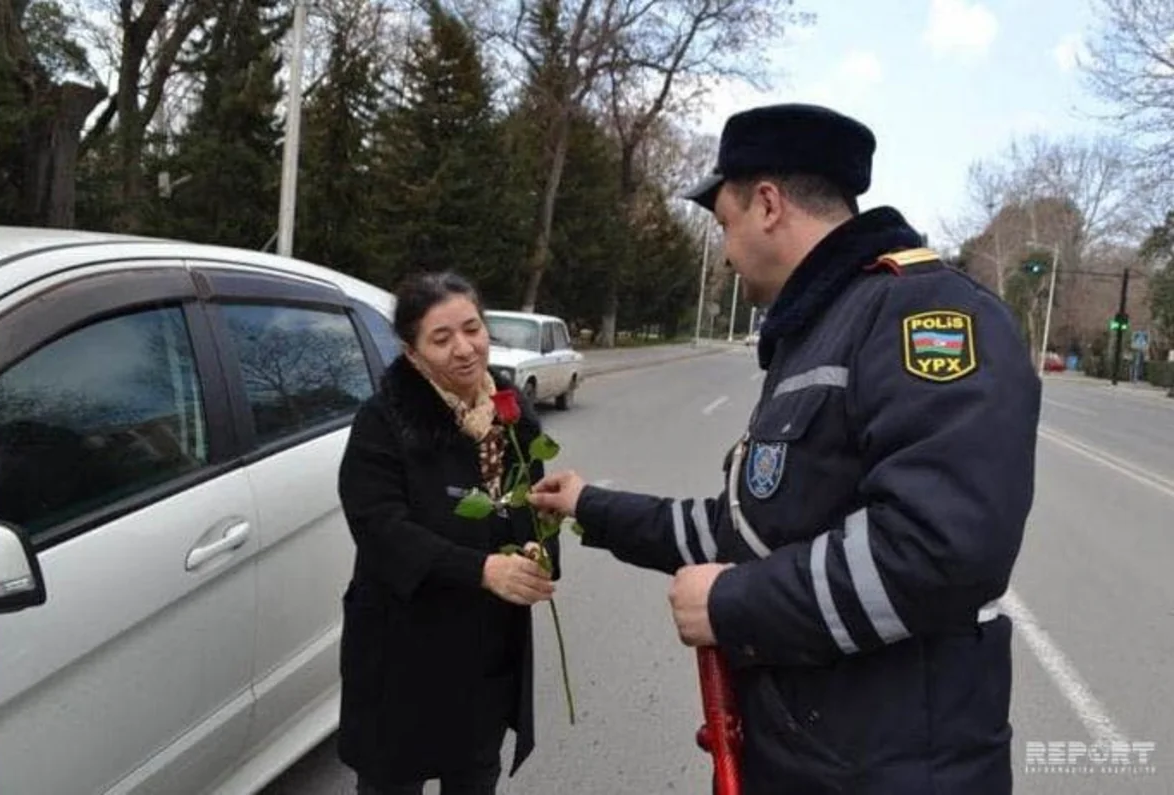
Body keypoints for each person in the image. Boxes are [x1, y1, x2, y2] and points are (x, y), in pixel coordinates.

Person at [530, 104, 1041, 794]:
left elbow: (939, 547)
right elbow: (748, 526)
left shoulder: (924, 315)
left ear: (767, 204)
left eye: (724, 224)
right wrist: (590, 506)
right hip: (807, 752)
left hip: (889, 770)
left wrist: (732, 604)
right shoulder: (822, 326)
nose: (727, 249)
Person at [337, 271, 559, 795]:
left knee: (474, 774)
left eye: (472, 328)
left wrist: (538, 550)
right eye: (442, 338)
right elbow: (379, 527)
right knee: (392, 778)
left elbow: (538, 503)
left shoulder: (511, 413)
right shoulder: (384, 421)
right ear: (412, 353)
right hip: (403, 649)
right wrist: (481, 569)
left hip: (483, 652)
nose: (465, 349)